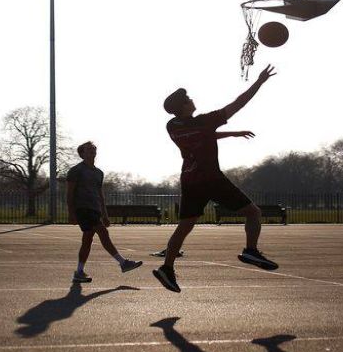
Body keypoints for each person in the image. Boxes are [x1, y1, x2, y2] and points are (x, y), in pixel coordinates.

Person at [152, 65, 278, 293]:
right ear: (184, 106)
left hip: (190, 181)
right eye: (188, 99)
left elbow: (200, 134)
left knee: (184, 227)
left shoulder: (172, 126)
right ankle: (250, 251)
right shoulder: (204, 121)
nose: (192, 100)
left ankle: (166, 268)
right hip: (210, 178)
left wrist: (232, 133)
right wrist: (259, 82)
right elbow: (238, 104)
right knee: (253, 213)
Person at [66, 141, 142, 283]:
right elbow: (70, 193)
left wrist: (105, 214)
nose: (92, 151)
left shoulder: (99, 173)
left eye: (93, 149)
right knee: (103, 232)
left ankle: (79, 271)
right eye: (88, 149)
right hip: (83, 208)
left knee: (87, 240)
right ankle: (123, 262)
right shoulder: (76, 170)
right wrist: (71, 213)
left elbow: (100, 195)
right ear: (82, 154)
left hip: (94, 209)